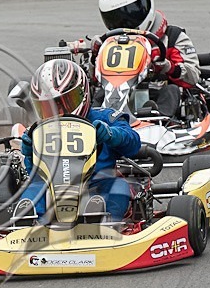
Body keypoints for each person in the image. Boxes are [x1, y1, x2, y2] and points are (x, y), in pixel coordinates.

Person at [18, 59, 141, 223]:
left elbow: (134, 144)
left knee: (119, 188)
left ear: (82, 94)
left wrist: (111, 134)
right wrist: (28, 151)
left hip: (97, 183)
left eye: (63, 103)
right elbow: (34, 172)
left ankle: (103, 223)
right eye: (48, 107)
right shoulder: (40, 130)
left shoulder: (104, 118)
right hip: (52, 188)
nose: (58, 113)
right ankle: (29, 225)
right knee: (32, 191)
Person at [93, 0, 200, 117]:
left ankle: (157, 117)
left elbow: (193, 77)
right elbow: (92, 81)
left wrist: (169, 67)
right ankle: (91, 118)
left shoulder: (173, 37)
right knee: (99, 93)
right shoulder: (108, 44)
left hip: (158, 94)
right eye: (115, 18)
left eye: (131, 14)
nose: (124, 24)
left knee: (172, 90)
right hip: (115, 94)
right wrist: (94, 57)